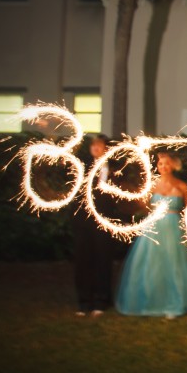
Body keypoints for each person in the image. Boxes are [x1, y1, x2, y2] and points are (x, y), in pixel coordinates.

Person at [115, 151, 187, 318]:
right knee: (150, 263)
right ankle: (148, 301)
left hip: (174, 228)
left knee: (174, 264)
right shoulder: (152, 185)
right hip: (154, 227)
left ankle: (176, 302)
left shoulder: (182, 186)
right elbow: (142, 204)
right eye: (160, 164)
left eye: (167, 163)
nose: (163, 167)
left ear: (174, 165)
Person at [72, 134, 117, 317]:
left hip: (104, 221)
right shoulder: (82, 167)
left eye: (100, 145)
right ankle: (84, 301)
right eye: (94, 145)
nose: (96, 148)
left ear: (106, 148)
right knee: (83, 261)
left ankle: (101, 300)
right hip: (84, 222)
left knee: (103, 260)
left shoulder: (114, 170)